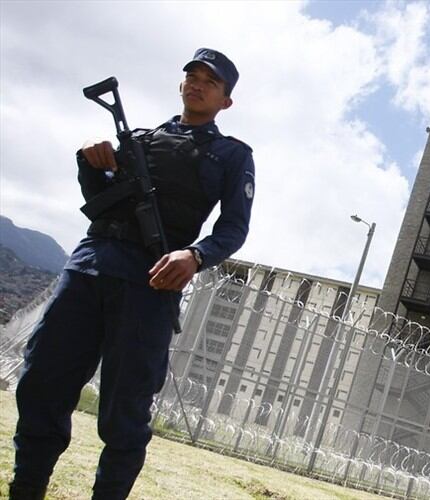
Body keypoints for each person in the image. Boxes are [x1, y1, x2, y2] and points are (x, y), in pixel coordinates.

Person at [9, 48, 255, 500]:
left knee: (126, 407)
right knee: (44, 381)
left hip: (151, 282)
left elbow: (234, 229)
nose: (198, 84)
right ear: (181, 85)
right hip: (90, 266)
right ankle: (26, 489)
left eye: (211, 82)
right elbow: (100, 201)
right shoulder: (138, 139)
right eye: (192, 76)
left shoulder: (231, 155)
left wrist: (195, 257)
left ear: (226, 101)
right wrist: (89, 161)